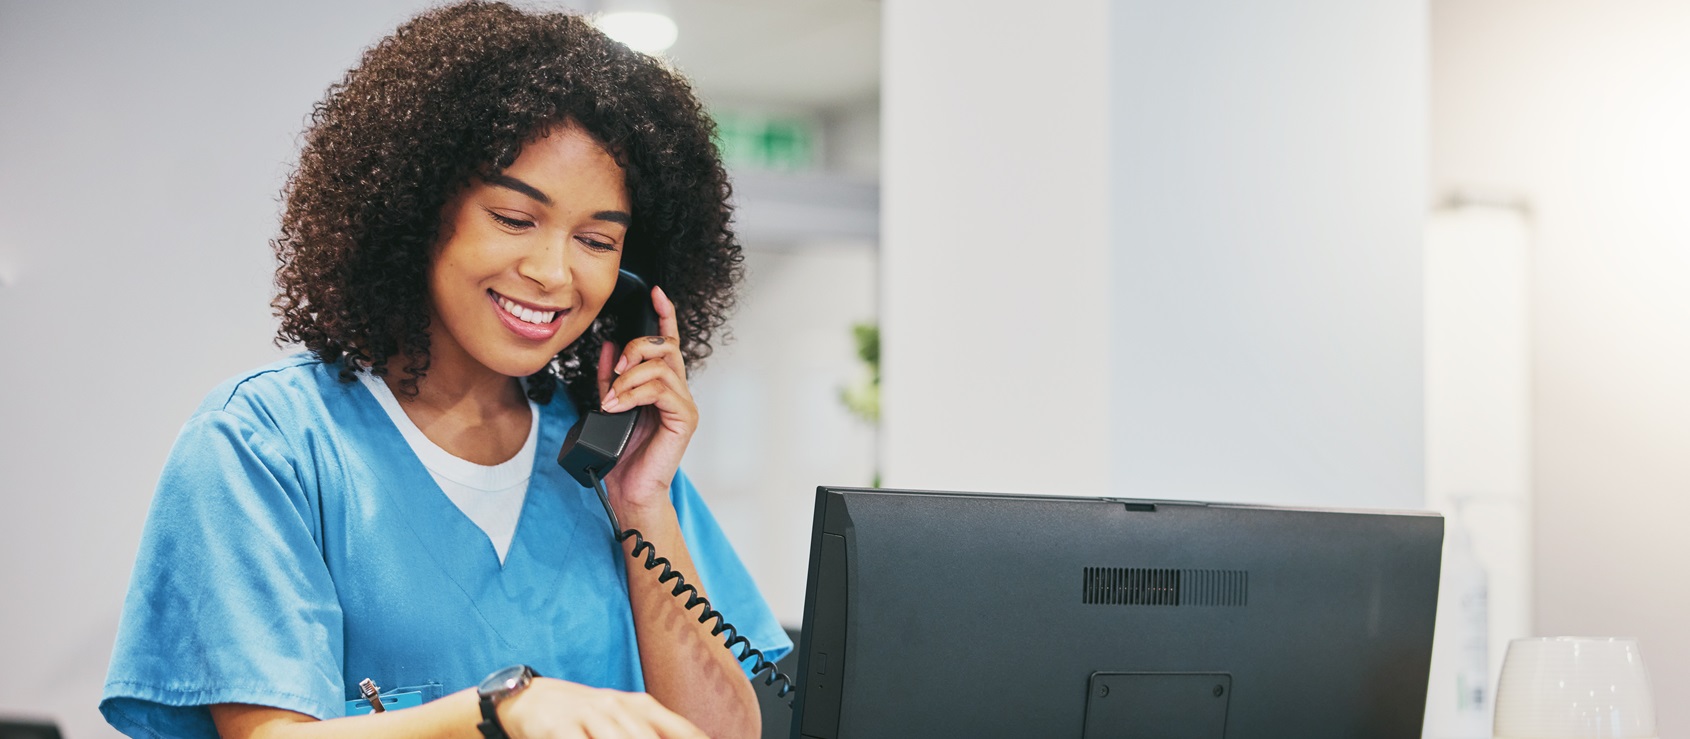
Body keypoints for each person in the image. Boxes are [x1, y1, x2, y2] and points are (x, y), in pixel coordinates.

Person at [99, 3, 788, 737]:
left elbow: (721, 733)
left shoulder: (612, 463)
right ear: (419, 208)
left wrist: (643, 501)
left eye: (594, 239)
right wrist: (500, 710)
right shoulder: (266, 445)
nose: (554, 272)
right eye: (515, 220)